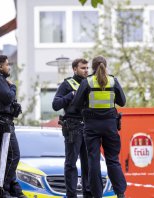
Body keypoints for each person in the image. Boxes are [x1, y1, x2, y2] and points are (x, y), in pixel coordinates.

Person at [72, 56, 126, 198]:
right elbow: (122, 102)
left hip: (91, 126)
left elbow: (76, 103)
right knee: (113, 159)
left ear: (93, 67)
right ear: (105, 66)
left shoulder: (87, 82)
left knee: (93, 160)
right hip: (110, 126)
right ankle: (120, 193)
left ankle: (97, 195)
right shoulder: (113, 81)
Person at [0, 55, 26, 198]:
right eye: (7, 65)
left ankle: (13, 188)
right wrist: (13, 86)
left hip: (6, 123)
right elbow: (8, 97)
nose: (9, 67)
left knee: (9, 156)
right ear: (0, 67)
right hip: (2, 124)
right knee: (13, 156)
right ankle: (5, 189)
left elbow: (8, 101)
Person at [52, 58, 92, 198]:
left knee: (88, 164)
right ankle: (71, 195)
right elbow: (55, 104)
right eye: (83, 68)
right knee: (71, 164)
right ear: (75, 69)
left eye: (87, 68)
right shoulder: (67, 84)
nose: (86, 70)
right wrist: (71, 95)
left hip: (88, 127)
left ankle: (88, 194)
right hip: (73, 127)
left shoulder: (91, 83)